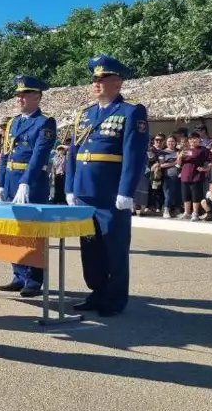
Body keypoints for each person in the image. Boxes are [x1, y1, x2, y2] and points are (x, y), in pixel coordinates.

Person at [65, 55, 149, 317]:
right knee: (90, 249)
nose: (96, 83)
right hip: (84, 191)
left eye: (102, 78)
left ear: (117, 82)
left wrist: (126, 191)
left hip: (110, 192)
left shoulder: (131, 111)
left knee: (114, 246)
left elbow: (134, 154)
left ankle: (114, 299)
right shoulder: (85, 114)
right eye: (94, 79)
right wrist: (70, 186)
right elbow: (73, 153)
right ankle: (97, 291)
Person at [0, 75, 57, 297]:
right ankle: (19, 275)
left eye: (24, 94)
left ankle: (34, 279)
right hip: (11, 180)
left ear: (37, 97)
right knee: (15, 232)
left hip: (32, 183)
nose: (19, 98)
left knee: (34, 233)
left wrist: (25, 182)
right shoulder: (13, 122)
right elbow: (4, 155)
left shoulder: (45, 122)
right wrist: (0, 182)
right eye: (18, 94)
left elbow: (39, 156)